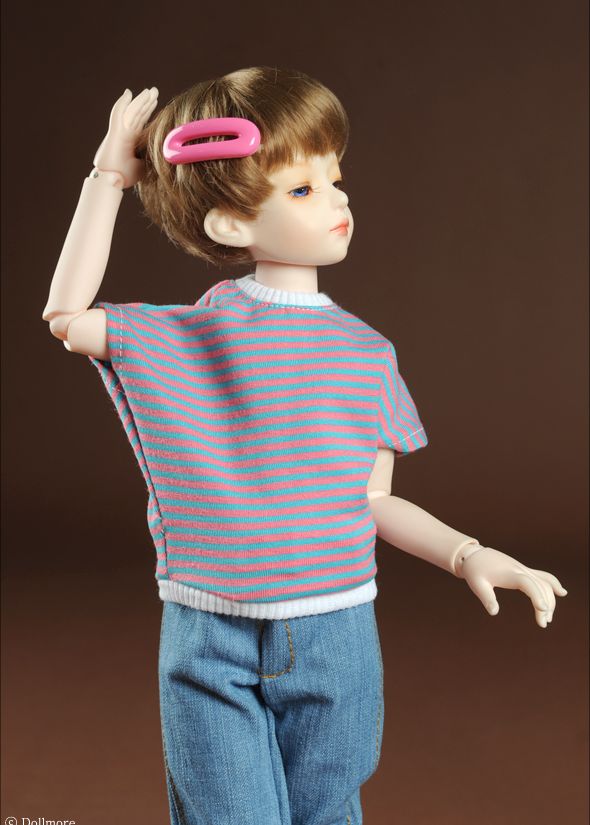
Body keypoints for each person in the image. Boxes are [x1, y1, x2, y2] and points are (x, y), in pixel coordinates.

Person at [42, 67, 567, 825]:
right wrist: (109, 178)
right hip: (209, 627)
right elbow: (67, 316)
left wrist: (469, 553)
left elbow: (371, 498)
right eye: (303, 188)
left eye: (335, 179)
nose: (338, 200)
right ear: (231, 224)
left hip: (336, 630)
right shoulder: (186, 336)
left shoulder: (366, 353)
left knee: (328, 811)